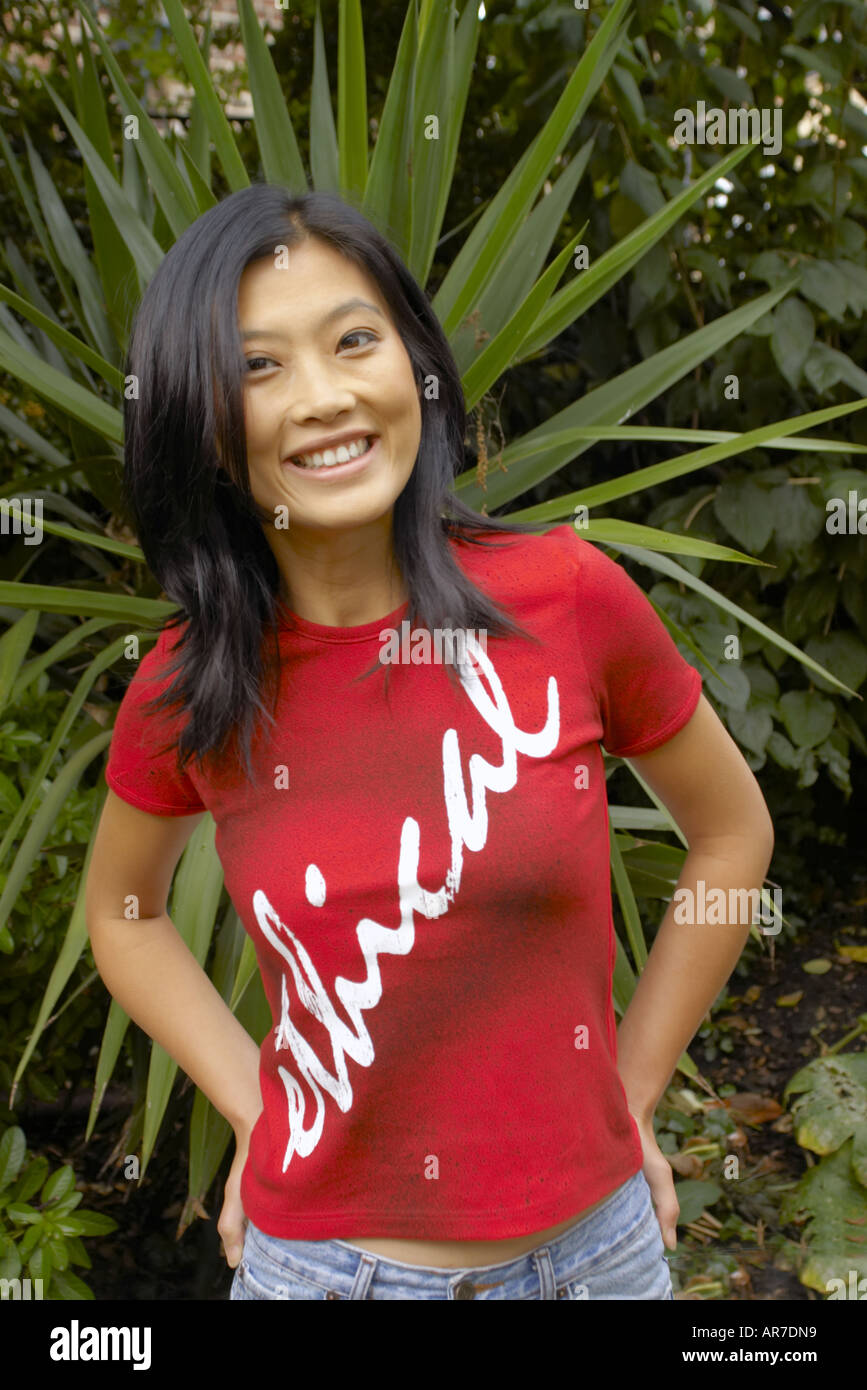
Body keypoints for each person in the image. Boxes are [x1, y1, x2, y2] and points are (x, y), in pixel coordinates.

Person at [85, 184, 775, 1301]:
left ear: (415, 365)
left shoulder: (567, 596)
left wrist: (629, 1091)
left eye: (355, 340)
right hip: (323, 1274)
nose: (323, 396)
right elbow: (126, 915)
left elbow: (732, 832)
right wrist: (263, 1109)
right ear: (200, 422)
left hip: (597, 1264)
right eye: (259, 367)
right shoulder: (189, 685)